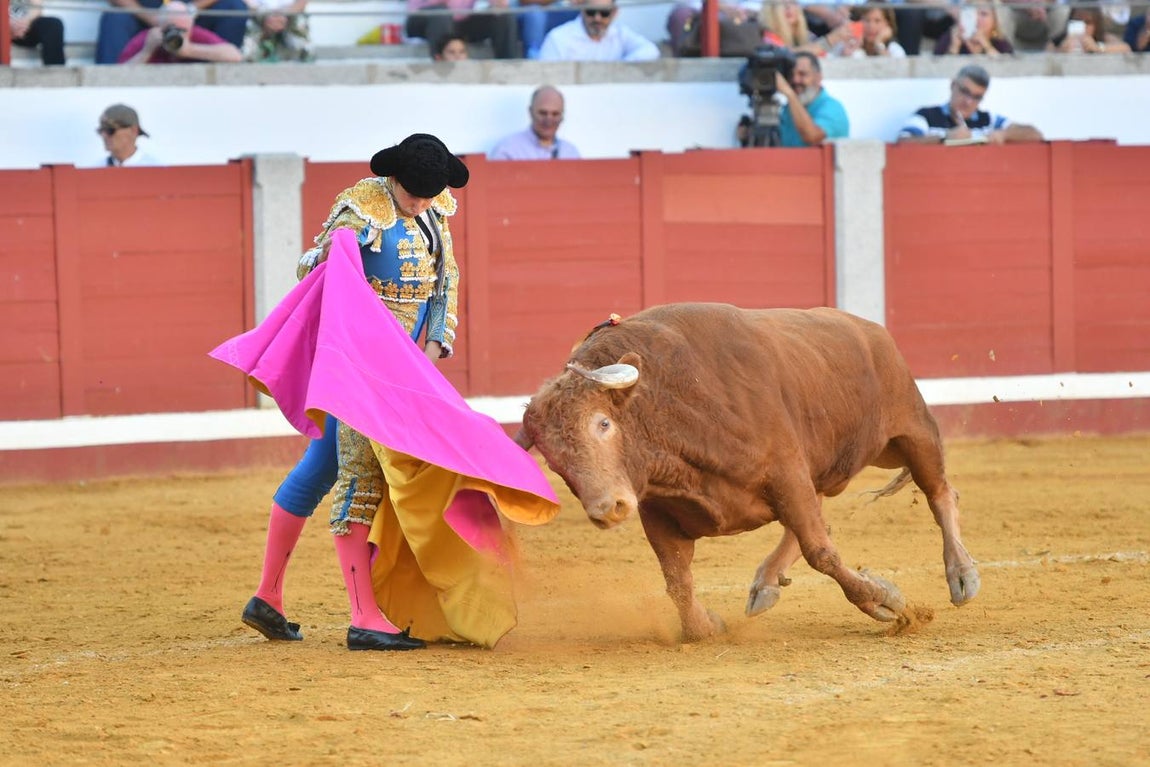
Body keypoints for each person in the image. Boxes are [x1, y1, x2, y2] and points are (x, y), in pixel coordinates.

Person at [235, 134, 559, 652]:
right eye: (415, 195)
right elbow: (315, 273)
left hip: (405, 366)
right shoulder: (360, 207)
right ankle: (363, 616)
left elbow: (444, 279)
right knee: (360, 475)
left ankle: (267, 596)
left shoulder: (434, 211)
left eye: (431, 196)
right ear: (394, 180)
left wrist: (430, 352)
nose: (423, 204)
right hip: (359, 364)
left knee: (320, 467)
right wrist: (332, 255)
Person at [897, 64, 1044, 145]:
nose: (968, 102)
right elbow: (903, 143)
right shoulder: (926, 116)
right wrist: (944, 138)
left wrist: (1004, 134)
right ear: (953, 85)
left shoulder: (988, 119)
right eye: (964, 92)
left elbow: (1035, 135)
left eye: (977, 97)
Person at [95, 0, 248, 64]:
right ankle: (107, 78)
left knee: (235, 8)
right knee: (114, 17)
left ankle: (226, 73)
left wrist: (187, 11)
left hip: (192, 11)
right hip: (142, 12)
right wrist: (151, 17)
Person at [770, 50, 849, 147]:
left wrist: (790, 94)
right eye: (791, 75)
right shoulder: (787, 109)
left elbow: (812, 136)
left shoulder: (832, 108)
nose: (795, 80)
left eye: (802, 74)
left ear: (818, 77)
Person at [539, 0, 659, 61]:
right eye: (591, 12)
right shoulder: (558, 38)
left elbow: (651, 51)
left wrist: (620, 66)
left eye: (604, 13)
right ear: (582, 10)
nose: (597, 18)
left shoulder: (620, 33)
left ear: (614, 13)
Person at [489, 85, 581, 160]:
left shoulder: (571, 153)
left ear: (562, 116)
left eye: (555, 114)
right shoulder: (508, 150)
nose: (549, 119)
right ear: (530, 112)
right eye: (543, 113)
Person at [404, 0, 520, 60]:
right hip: (423, 17)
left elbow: (501, 4)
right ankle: (442, 67)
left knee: (503, 15)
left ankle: (507, 65)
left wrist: (498, 4)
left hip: (459, 20)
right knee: (442, 14)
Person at [241, 0, 312, 62]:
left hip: (293, 13)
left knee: (305, 57)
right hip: (256, 13)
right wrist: (262, 14)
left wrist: (286, 14)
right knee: (247, 57)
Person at [934, 2, 1014, 56]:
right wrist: (954, 47)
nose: (977, 19)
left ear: (995, 20)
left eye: (983, 14)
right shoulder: (950, 37)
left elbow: (1006, 69)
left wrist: (987, 46)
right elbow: (938, 70)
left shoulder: (1000, 42)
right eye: (972, 14)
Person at [96, 103, 161, 167]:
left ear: (133, 131)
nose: (104, 135)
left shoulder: (155, 171)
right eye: (101, 131)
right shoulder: (95, 171)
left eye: (110, 130)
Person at [1048, 6, 1131, 53]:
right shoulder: (1062, 38)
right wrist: (1060, 50)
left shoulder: (1103, 38)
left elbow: (1126, 48)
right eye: (1078, 20)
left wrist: (1098, 48)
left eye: (1087, 22)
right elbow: (1047, 50)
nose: (1083, 26)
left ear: (1096, 24)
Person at [9, 0, 66, 65]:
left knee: (54, 24)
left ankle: (56, 72)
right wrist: (7, 26)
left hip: (26, 27)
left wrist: (25, 23)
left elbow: (37, 7)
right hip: (4, 28)